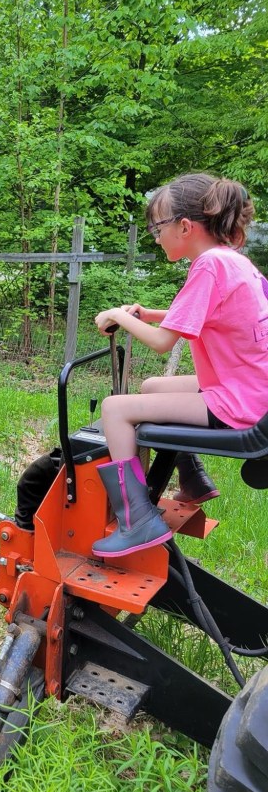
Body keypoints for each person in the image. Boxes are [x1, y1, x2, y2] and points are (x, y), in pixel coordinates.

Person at [92, 172, 268, 559]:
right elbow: (201, 315)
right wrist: (148, 314)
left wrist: (117, 316)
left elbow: (162, 343)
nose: (156, 238)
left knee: (115, 409)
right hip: (253, 389)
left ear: (185, 227)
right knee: (153, 387)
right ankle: (193, 478)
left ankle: (136, 519)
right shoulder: (232, 261)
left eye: (158, 229)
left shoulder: (208, 266)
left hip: (238, 402)